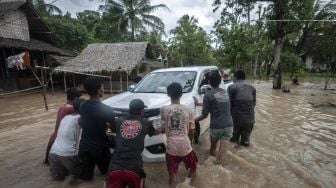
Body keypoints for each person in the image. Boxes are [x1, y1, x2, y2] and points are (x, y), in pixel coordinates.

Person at [106, 99, 156, 188]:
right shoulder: (146, 123)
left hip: (114, 169)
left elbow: (110, 129)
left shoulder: (118, 121)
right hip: (134, 169)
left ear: (129, 110)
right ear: (142, 111)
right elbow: (154, 132)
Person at [160, 82, 198, 188]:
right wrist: (191, 142)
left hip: (171, 146)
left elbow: (165, 126)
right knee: (194, 167)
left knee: (172, 174)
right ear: (181, 94)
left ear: (168, 94)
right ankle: (188, 184)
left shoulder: (163, 109)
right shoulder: (188, 110)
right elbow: (191, 131)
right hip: (185, 145)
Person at [78, 77, 115, 180]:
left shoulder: (82, 106)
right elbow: (112, 128)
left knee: (85, 179)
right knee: (109, 175)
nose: (103, 89)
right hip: (100, 148)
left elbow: (83, 122)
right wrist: (108, 129)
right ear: (99, 90)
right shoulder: (106, 109)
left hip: (84, 147)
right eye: (103, 87)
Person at [194, 72, 233, 166]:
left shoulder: (208, 94)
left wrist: (193, 120)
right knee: (222, 153)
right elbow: (217, 103)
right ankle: (220, 170)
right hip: (228, 125)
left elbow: (204, 115)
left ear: (208, 81)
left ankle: (211, 166)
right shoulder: (224, 92)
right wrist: (199, 104)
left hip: (216, 127)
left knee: (213, 147)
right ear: (220, 81)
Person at [48, 98, 85, 181]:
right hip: (68, 154)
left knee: (58, 182)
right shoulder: (80, 118)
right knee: (81, 177)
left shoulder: (65, 117)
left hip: (53, 153)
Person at [44, 88, 81, 164]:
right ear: (76, 98)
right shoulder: (71, 108)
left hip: (53, 141)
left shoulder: (62, 107)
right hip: (62, 143)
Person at [228, 70, 256, 147]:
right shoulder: (252, 88)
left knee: (234, 140)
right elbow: (253, 103)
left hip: (237, 119)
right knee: (246, 142)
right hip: (250, 119)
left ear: (235, 78)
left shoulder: (232, 87)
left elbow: (229, 104)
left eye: (233, 77)